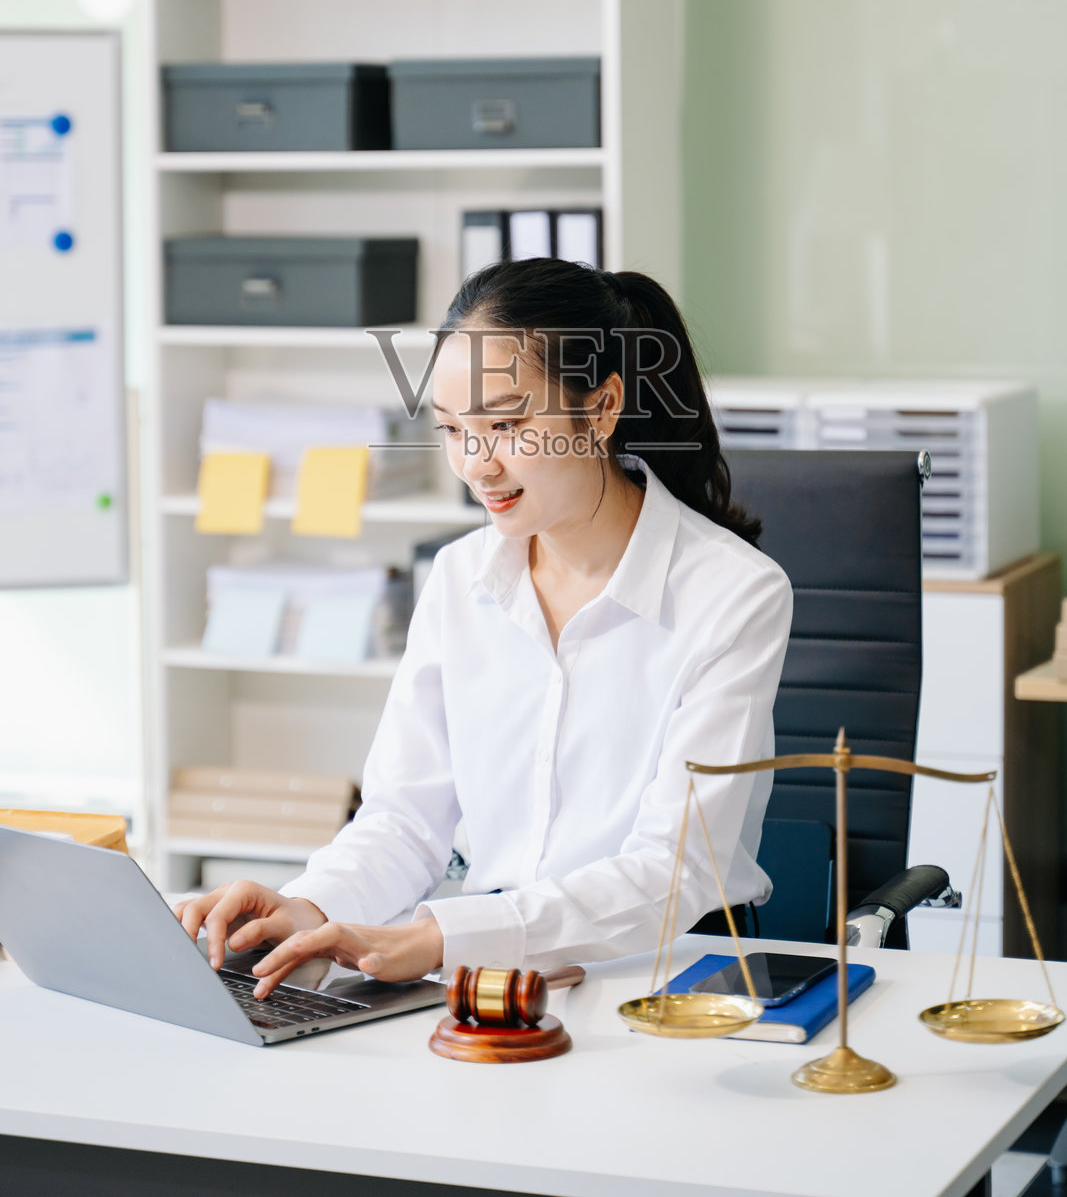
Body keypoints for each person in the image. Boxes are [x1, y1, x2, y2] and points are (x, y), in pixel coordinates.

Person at [175, 260, 793, 999]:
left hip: (671, 986)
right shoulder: (459, 578)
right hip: (487, 982)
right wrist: (308, 909)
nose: (476, 464)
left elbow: (676, 869)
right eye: (452, 430)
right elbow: (406, 818)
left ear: (598, 410)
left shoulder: (731, 593)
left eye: (504, 425)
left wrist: (440, 934)